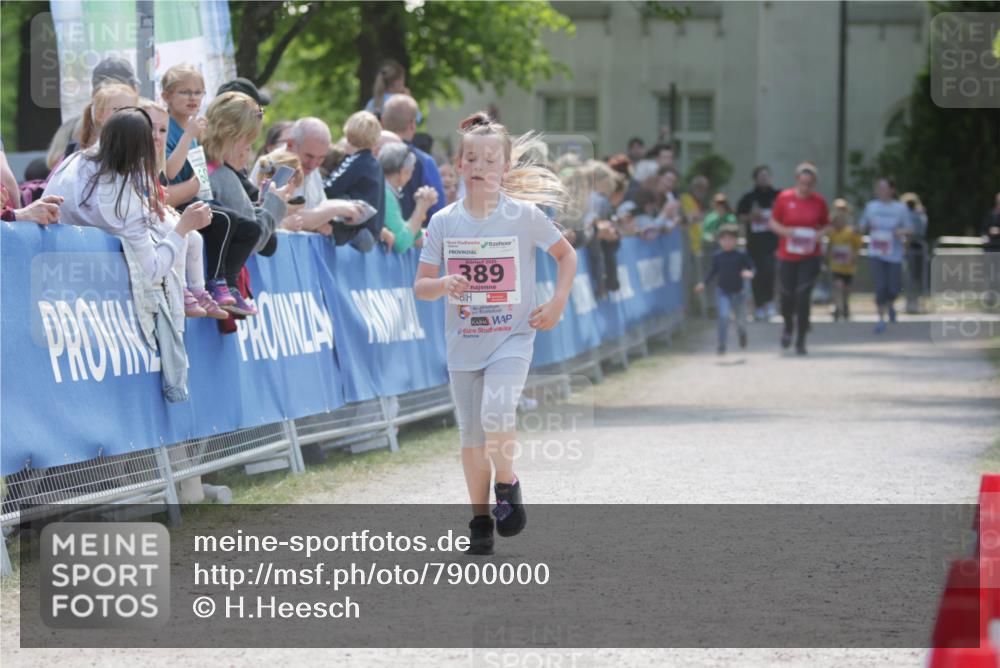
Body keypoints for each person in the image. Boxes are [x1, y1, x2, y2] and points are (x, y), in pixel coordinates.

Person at [413, 112, 577, 555]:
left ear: (505, 168)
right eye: (471, 158)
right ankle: (481, 523)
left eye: (490, 159)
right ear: (460, 165)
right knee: (471, 441)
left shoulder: (523, 216)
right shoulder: (444, 221)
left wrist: (558, 301)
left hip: (513, 336)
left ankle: (508, 485)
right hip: (464, 341)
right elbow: (421, 286)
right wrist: (444, 284)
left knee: (498, 415)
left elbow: (567, 256)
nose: (480, 166)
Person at [43, 109, 213, 401]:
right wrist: (183, 229)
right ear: (140, 151)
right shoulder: (120, 204)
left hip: (57, 271)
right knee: (180, 237)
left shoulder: (76, 160)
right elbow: (153, 270)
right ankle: (177, 369)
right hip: (95, 289)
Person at [139, 98, 227, 320]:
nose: (156, 135)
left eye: (162, 130)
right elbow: (169, 175)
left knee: (197, 236)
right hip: (144, 225)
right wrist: (188, 135)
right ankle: (184, 289)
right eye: (149, 128)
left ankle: (197, 290)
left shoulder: (157, 159)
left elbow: (161, 190)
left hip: (157, 215)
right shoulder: (135, 159)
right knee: (184, 231)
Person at [204, 91, 290, 316]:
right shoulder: (222, 176)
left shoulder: (203, 162)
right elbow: (253, 239)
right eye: (247, 140)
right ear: (231, 134)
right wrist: (274, 205)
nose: (248, 148)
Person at [769, 162, 829, 355]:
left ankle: (801, 339)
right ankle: (788, 326)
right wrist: (786, 231)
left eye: (810, 184)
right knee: (787, 295)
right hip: (788, 255)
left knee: (803, 295)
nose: (806, 187)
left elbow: (826, 225)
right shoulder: (784, 198)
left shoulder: (819, 202)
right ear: (797, 181)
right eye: (803, 183)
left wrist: (819, 235)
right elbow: (773, 222)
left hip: (810, 256)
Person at [278, 117, 364, 234]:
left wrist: (323, 218)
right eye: (309, 156)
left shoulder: (313, 171)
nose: (313, 165)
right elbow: (289, 217)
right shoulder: (276, 167)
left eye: (321, 158)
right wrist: (335, 209)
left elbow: (320, 209)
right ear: (290, 144)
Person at [322, 110, 385, 252]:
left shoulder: (356, 161)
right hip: (372, 233)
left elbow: (330, 188)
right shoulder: (375, 164)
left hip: (358, 232)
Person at [380, 94, 445, 222]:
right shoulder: (424, 162)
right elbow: (438, 214)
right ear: (413, 124)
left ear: (382, 121)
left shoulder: (369, 154)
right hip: (414, 238)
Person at [859, 177, 911, 334]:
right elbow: (862, 225)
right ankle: (881, 318)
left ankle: (891, 304)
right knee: (880, 286)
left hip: (894, 254)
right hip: (876, 253)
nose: (881, 191)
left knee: (894, 287)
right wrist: (862, 228)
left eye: (884, 188)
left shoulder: (900, 208)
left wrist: (898, 232)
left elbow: (910, 229)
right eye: (879, 188)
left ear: (892, 190)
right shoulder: (871, 207)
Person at [695, 224, 755, 355]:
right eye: (724, 239)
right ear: (719, 241)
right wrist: (703, 283)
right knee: (723, 316)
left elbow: (752, 267)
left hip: (738, 292)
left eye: (730, 239)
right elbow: (712, 272)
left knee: (740, 320)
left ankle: (742, 333)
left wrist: (749, 273)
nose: (727, 242)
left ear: (735, 240)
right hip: (723, 291)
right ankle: (722, 344)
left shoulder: (741, 255)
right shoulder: (718, 256)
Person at [737, 165, 780, 321]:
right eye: (761, 176)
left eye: (766, 176)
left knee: (770, 271)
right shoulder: (749, 197)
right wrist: (751, 217)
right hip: (755, 243)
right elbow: (740, 216)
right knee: (756, 274)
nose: (764, 179)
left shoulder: (778, 195)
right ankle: (759, 305)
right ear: (755, 179)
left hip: (773, 242)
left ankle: (770, 302)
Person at [378, 141, 437, 253]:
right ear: (404, 172)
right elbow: (402, 243)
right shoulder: (385, 194)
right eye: (411, 172)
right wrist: (421, 208)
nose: (410, 178)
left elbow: (411, 235)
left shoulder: (382, 189)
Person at [825, 199, 862, 321]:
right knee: (838, 285)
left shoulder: (851, 231)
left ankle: (845, 305)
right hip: (836, 265)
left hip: (848, 265)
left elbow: (857, 246)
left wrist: (853, 257)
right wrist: (828, 258)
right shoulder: (831, 231)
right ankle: (837, 308)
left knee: (846, 288)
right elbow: (829, 246)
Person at [79, 82, 139, 150]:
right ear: (99, 115)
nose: (125, 114)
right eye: (117, 109)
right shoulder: (87, 158)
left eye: (130, 109)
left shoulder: (141, 154)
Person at [364, 59, 423, 124]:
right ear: (398, 82)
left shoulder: (373, 102)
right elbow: (418, 118)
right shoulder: (404, 102)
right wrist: (410, 99)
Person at [901, 192, 928, 313]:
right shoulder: (921, 215)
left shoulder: (911, 216)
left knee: (911, 277)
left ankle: (911, 304)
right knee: (917, 277)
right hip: (920, 247)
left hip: (912, 248)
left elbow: (910, 234)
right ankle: (915, 303)